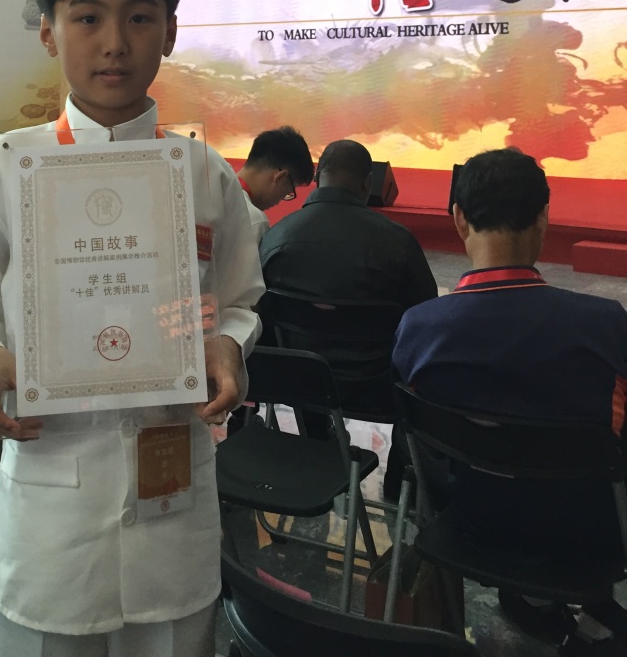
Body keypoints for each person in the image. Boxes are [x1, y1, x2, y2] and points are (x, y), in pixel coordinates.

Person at [0, 0, 264, 657]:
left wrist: (228, 344)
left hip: (170, 479)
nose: (115, 43)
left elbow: (240, 298)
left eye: (140, 17)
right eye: (87, 17)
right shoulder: (9, 165)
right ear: (49, 32)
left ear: (169, 31)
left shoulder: (202, 172)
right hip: (54, 490)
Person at [393, 149, 627, 655]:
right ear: (543, 219)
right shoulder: (605, 325)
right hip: (590, 539)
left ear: (459, 218)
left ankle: (535, 604)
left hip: (469, 526)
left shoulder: (418, 329)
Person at [260, 138, 436, 498]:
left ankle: (316, 443)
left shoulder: (276, 237)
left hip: (300, 385)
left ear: (317, 178)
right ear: (368, 184)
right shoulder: (398, 243)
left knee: (305, 350)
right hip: (382, 391)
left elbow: (260, 317)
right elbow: (426, 321)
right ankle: (399, 481)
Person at [235, 126, 314, 245]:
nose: (278, 202)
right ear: (281, 177)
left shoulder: (211, 190)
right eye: (288, 192)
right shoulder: (254, 221)